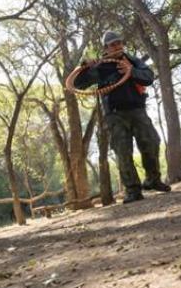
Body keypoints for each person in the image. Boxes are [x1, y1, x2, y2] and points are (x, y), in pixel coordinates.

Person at [73, 31, 171, 203]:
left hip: (138, 110)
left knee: (152, 142)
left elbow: (149, 76)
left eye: (119, 43)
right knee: (122, 151)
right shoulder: (101, 66)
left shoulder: (132, 60)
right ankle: (132, 190)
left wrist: (131, 71)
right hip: (115, 114)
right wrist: (85, 67)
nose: (117, 46)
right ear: (105, 47)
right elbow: (78, 83)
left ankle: (153, 180)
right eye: (113, 44)